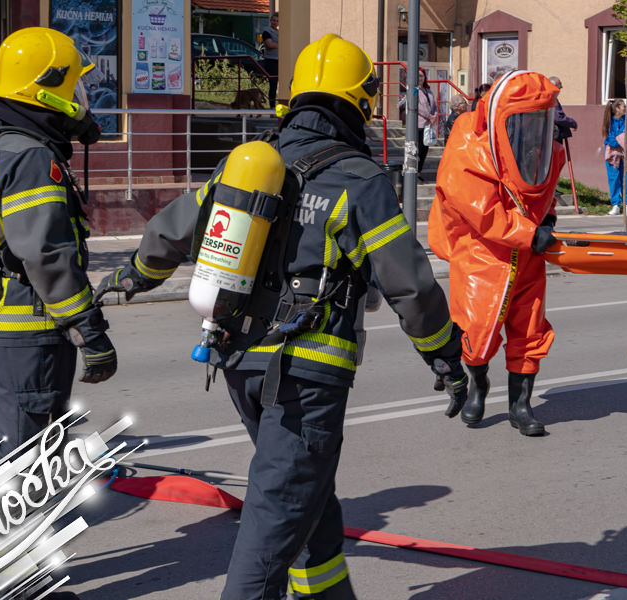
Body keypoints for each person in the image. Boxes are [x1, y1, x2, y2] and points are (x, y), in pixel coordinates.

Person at [97, 34, 466, 599]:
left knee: (306, 501)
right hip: (305, 375)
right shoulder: (360, 180)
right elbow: (409, 284)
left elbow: (172, 231)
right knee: (274, 522)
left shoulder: (250, 163)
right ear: (361, 102)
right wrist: (444, 354)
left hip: (238, 362)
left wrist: (131, 277)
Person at [0, 27, 115, 468]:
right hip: (25, 341)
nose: (81, 97)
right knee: (25, 465)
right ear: (46, 88)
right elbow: (47, 254)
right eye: (74, 84)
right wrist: (90, 332)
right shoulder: (29, 157)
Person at [428, 70, 565, 437]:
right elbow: (482, 212)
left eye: (541, 118)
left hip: (528, 258)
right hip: (482, 258)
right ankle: (478, 386)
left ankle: (521, 406)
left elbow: (539, 190)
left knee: (529, 332)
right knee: (476, 333)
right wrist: (531, 233)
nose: (536, 126)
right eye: (528, 118)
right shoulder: (468, 146)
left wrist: (548, 216)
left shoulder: (535, 142)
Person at [602, 98, 627, 216]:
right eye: (623, 106)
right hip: (612, 153)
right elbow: (610, 137)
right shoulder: (609, 120)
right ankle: (616, 204)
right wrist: (621, 139)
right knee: (614, 178)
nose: (625, 108)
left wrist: (622, 140)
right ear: (617, 109)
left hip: (626, 153)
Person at [416, 68, 437, 182]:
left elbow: (434, 106)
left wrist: (434, 116)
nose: (420, 78)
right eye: (418, 76)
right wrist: (429, 116)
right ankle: (415, 172)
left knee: (425, 149)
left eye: (422, 76)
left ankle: (419, 171)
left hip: (428, 125)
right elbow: (417, 106)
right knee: (418, 149)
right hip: (419, 124)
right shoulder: (414, 90)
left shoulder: (428, 91)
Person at [548, 76, 578, 141]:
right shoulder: (551, 99)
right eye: (559, 88)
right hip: (552, 137)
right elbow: (559, 118)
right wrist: (572, 123)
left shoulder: (543, 97)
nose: (559, 91)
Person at [260, 13, 280, 107]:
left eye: (277, 21)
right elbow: (270, 45)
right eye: (274, 20)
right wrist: (282, 44)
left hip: (280, 60)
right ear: (270, 21)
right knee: (273, 84)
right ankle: (272, 106)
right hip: (271, 61)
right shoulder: (267, 31)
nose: (275, 22)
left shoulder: (279, 32)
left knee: (279, 84)